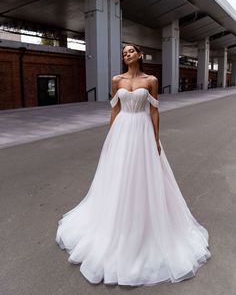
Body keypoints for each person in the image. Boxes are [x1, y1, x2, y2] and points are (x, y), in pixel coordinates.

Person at [55, 43, 211, 286]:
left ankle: (146, 225)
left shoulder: (151, 80)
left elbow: (155, 111)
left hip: (142, 130)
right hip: (121, 131)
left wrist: (157, 138)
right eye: (123, 53)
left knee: (143, 177)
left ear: (139, 55)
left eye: (130, 51)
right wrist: (110, 138)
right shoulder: (117, 79)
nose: (126, 55)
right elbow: (115, 111)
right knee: (117, 177)